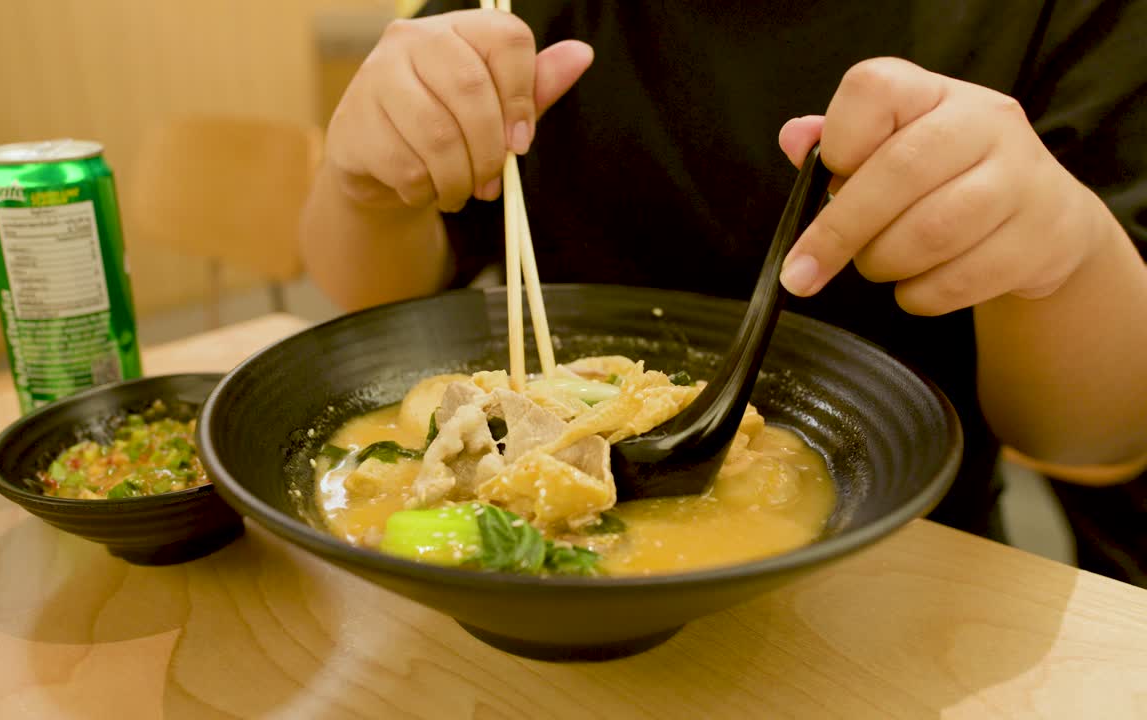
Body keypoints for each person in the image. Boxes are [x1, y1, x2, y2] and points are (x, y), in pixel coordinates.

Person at [299, 1, 1147, 542]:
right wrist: (366, 192)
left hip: (907, 576)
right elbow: (372, 303)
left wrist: (1063, 257)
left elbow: (1103, 437)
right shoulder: (512, 8)